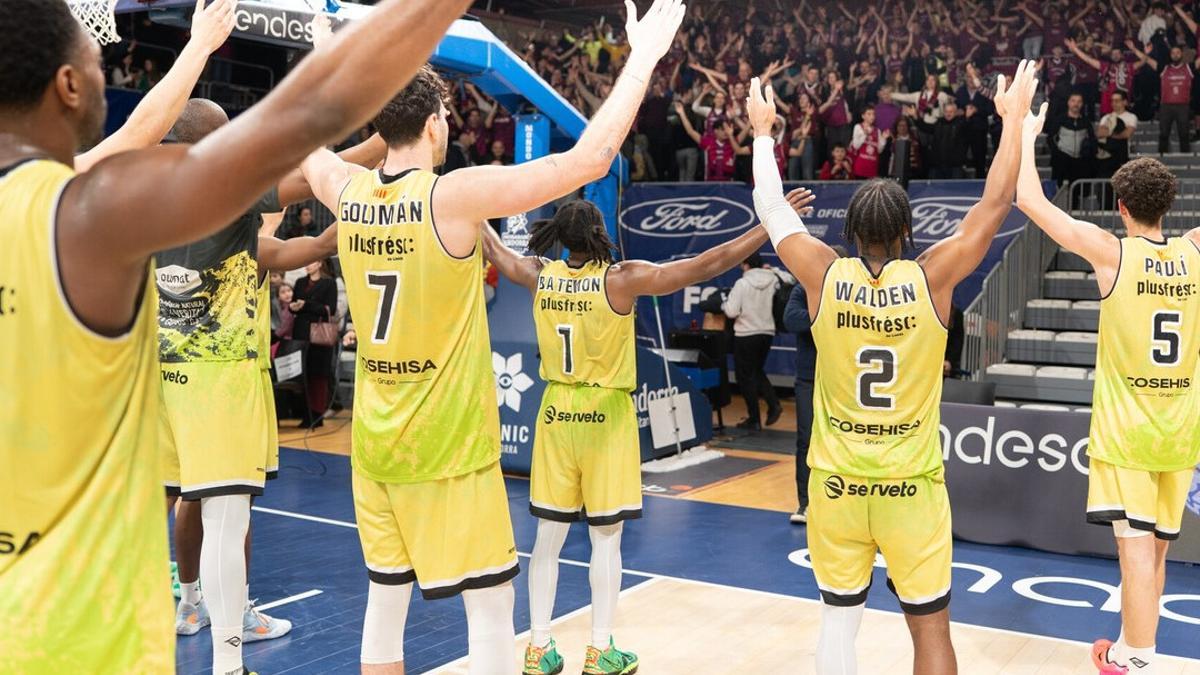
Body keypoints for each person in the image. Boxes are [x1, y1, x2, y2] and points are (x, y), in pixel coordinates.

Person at [0, 0, 469, 670]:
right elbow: (300, 123)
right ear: (68, 87)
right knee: (216, 511)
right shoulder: (85, 209)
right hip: (82, 633)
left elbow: (144, 139)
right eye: (97, 62)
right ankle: (222, 646)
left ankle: (200, 604)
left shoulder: (70, 200)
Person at [297, 2, 685, 671]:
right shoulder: (450, 198)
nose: (449, 124)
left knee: (383, 610)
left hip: (376, 446)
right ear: (429, 122)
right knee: (490, 612)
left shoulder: (344, 189)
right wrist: (644, 57)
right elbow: (590, 158)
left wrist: (322, 53)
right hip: (450, 451)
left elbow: (304, 137)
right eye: (445, 114)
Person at [747, 59, 1036, 674]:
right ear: (908, 230)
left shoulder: (823, 274)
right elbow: (995, 203)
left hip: (836, 485)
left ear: (849, 229)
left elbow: (771, 207)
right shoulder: (932, 278)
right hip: (911, 488)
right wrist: (1011, 123)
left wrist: (764, 134)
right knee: (931, 633)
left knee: (836, 623)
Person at [480, 191, 811, 675]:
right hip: (605, 414)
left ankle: (538, 648)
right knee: (606, 540)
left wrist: (457, 198)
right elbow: (706, 264)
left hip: (554, 413)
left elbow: (493, 249)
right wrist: (771, 224)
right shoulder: (621, 279)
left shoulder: (538, 275)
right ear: (599, 234)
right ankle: (599, 650)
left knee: (547, 539)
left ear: (560, 238)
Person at [1017, 124, 1200, 675]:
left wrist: (1023, 133)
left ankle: (1136, 661)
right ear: (1170, 204)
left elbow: (1028, 198)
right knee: (1157, 550)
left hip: (1128, 433)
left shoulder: (1111, 253)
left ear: (1120, 207)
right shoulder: (1194, 250)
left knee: (1136, 551)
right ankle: (1130, 645)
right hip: (1181, 430)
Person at [782, 243, 846, 525]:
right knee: (806, 439)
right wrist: (826, 314)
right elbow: (790, 319)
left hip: (842, 380)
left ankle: (843, 505)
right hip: (809, 379)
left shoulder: (853, 293)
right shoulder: (803, 289)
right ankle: (806, 503)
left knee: (845, 442)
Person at [723, 253, 790, 430]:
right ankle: (773, 404)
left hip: (745, 333)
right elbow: (789, 280)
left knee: (745, 377)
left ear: (746, 265)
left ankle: (754, 419)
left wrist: (722, 304)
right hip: (766, 332)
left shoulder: (742, 283)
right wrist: (774, 269)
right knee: (757, 371)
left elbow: (730, 311)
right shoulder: (772, 280)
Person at [291, 259, 339, 428]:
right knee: (303, 375)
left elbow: (330, 309)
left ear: (320, 264)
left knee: (318, 376)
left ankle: (317, 415)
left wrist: (306, 305)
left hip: (319, 336)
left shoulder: (329, 283)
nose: (308, 264)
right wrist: (294, 306)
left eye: (312, 262)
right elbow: (293, 304)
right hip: (301, 333)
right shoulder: (300, 282)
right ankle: (306, 414)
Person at [1045, 92, 1097, 185]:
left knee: (1077, 193)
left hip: (1080, 163)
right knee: (1060, 191)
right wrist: (1058, 153)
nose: (1076, 104)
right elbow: (1050, 139)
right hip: (1062, 161)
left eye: (1079, 101)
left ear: (1082, 104)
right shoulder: (1060, 120)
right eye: (1073, 101)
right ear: (1068, 102)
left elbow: (1092, 139)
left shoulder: (1086, 122)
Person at [1097, 90, 1138, 180]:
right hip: (1106, 157)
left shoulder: (1131, 117)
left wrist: (1109, 131)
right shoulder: (1106, 117)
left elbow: (1127, 134)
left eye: (1117, 100)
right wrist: (1117, 132)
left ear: (1125, 102)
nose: (1113, 103)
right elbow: (1100, 133)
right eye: (1112, 101)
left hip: (1122, 157)